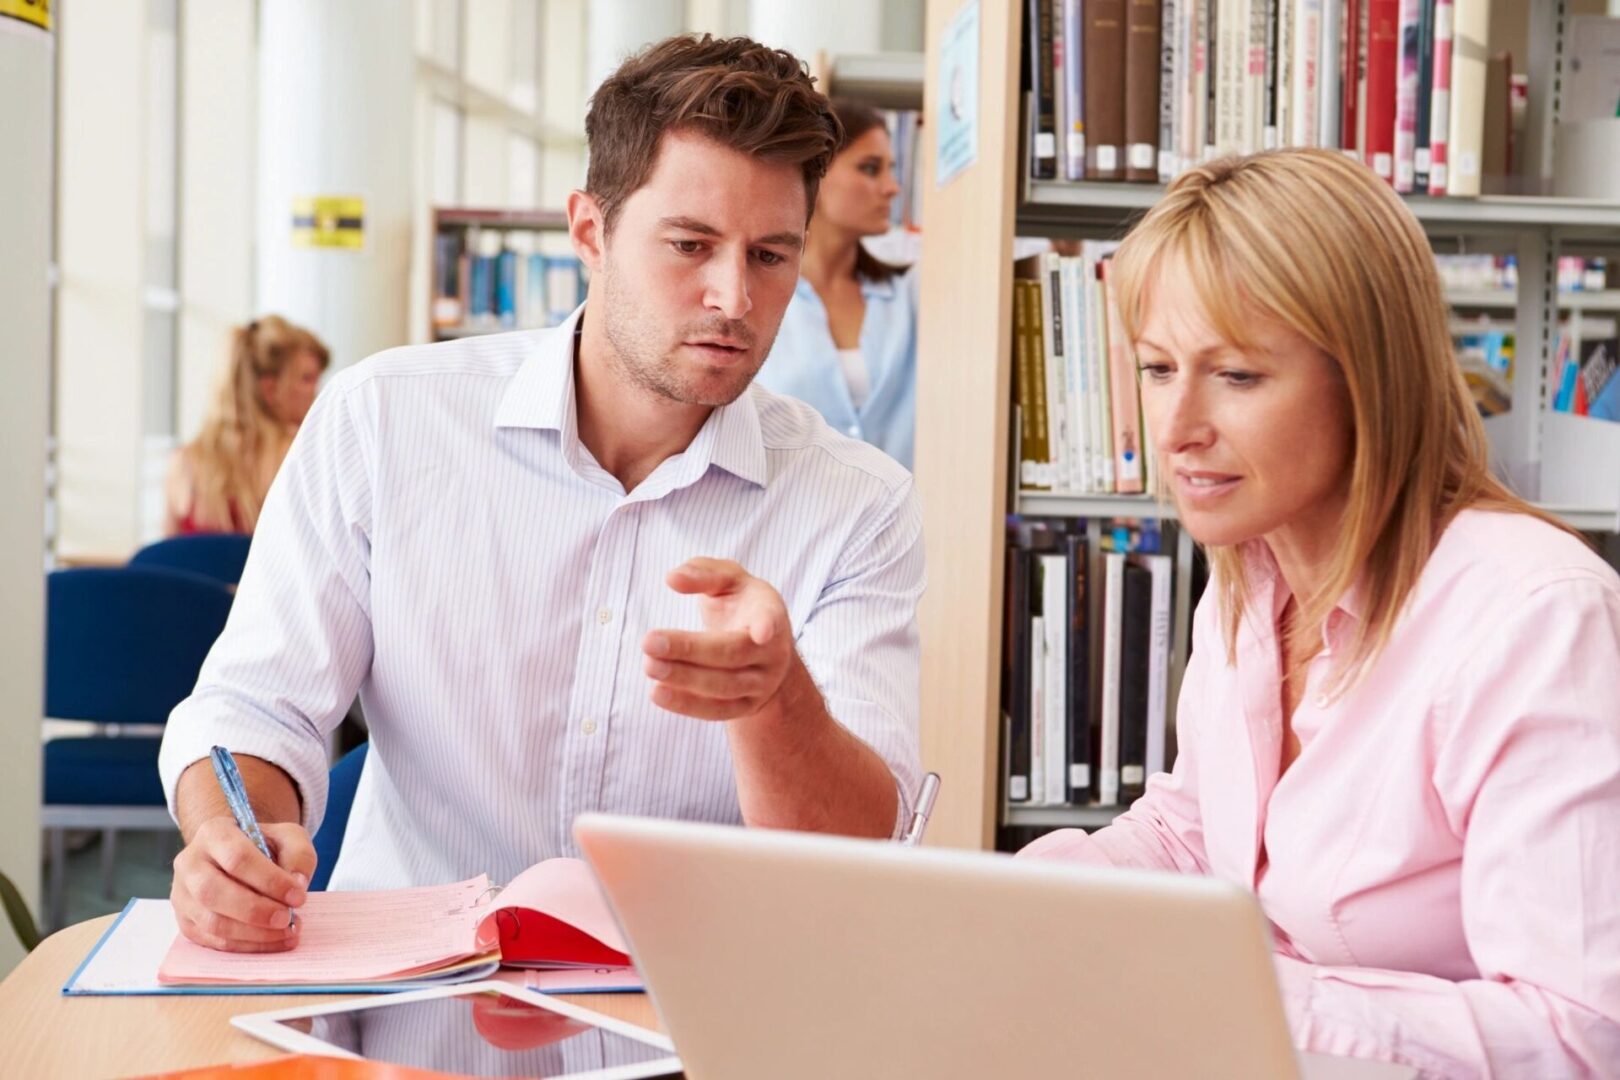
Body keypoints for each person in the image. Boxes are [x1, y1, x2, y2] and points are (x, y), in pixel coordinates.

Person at [158, 34, 923, 954]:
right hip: (412, 1022)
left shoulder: (858, 503)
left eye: (770, 255)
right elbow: (256, 707)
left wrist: (778, 700)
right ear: (591, 232)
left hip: (691, 1029)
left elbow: (861, 855)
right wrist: (230, 839)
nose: (734, 297)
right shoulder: (384, 422)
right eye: (691, 245)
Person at [1018, 149, 1620, 1077]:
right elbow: (1191, 831)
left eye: (1239, 377)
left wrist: (1229, 991)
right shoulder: (1252, 568)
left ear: (1369, 380)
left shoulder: (1536, 619)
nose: (1175, 429)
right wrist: (994, 910)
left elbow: (1578, 1036)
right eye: (1157, 367)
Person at [755, 97, 918, 469]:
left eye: (891, 170)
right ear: (818, 175)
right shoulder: (757, 295)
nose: (892, 188)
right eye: (870, 168)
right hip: (789, 516)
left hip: (901, 516)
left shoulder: (907, 296)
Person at [162, 315, 329, 535]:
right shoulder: (299, 456)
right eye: (307, 379)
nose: (317, 392)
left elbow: (166, 561)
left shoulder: (183, 463)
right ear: (271, 389)